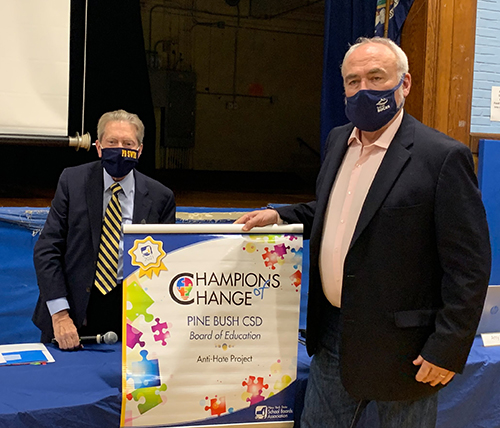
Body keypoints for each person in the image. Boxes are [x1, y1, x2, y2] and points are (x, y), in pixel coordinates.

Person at [235, 37, 491, 428]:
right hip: (333, 336)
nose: (364, 90)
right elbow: (341, 211)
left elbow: (469, 266)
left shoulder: (441, 157)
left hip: (406, 349)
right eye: (353, 81)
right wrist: (281, 215)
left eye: (376, 77)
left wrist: (448, 347)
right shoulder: (339, 140)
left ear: (404, 84)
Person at [33, 109, 176, 350]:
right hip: (73, 315)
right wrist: (59, 315)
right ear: (99, 147)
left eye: (128, 143)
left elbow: (166, 264)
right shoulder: (72, 182)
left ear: (140, 150)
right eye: (112, 142)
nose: (120, 149)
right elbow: (47, 250)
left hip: (132, 319)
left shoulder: (161, 197)